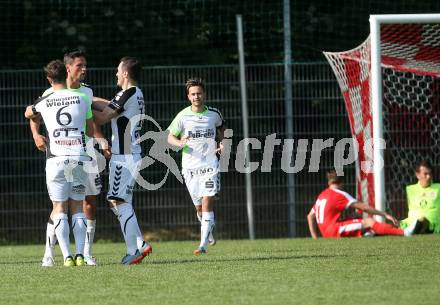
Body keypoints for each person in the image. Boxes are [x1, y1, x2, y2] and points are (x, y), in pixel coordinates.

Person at [30, 51, 109, 267]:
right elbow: (92, 126)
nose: (84, 69)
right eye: (79, 65)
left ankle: (74, 255)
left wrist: (101, 142)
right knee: (72, 206)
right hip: (79, 155)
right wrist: (36, 134)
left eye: (85, 65)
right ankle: (55, 253)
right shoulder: (82, 98)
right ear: (67, 69)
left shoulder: (51, 98)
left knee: (70, 205)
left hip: (62, 156)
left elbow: (30, 112)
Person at [92, 56, 152, 265]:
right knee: (118, 202)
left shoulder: (129, 93)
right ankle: (140, 244)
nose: (116, 73)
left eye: (118, 70)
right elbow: (108, 105)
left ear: (125, 73)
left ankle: (134, 249)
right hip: (129, 154)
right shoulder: (133, 93)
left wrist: (82, 107)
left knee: (118, 202)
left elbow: (102, 116)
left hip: (124, 155)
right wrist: (88, 98)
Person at [167, 78, 225, 255]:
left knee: (208, 201)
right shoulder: (182, 116)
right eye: (193, 94)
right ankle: (208, 229)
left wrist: (223, 143)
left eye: (199, 93)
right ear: (188, 97)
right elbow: (169, 137)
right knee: (199, 207)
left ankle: (202, 246)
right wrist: (179, 142)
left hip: (210, 165)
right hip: (190, 167)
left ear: (204, 94)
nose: (196, 96)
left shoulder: (214, 114)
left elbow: (223, 129)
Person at [307, 170, 421, 239]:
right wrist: (384, 214)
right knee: (369, 222)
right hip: (333, 231)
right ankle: (405, 232)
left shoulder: (322, 195)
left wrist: (316, 238)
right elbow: (364, 208)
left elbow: (310, 216)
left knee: (356, 219)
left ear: (329, 182)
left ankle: (368, 234)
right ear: (342, 183)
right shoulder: (340, 194)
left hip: (327, 232)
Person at [400, 160, 440, 233]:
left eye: (430, 174)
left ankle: (415, 230)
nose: (428, 177)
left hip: (431, 225)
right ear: (417, 175)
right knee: (393, 223)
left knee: (422, 220)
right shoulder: (410, 189)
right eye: (425, 174)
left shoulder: (438, 188)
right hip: (412, 223)